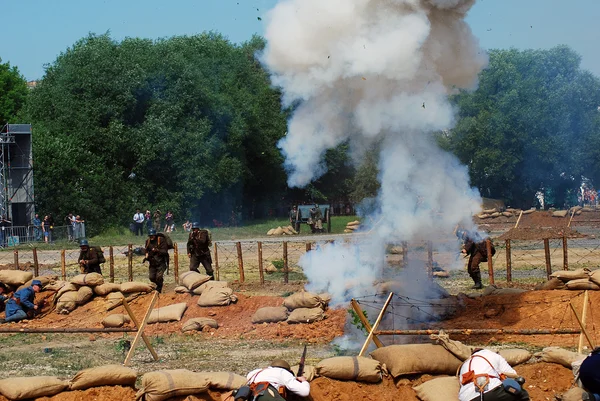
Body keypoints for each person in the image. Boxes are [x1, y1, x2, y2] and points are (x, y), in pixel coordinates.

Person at [458, 348, 529, 401]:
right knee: (521, 393)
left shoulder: (465, 364)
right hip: (492, 392)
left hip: (467, 398)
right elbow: (514, 375)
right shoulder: (493, 355)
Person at [245, 359, 310, 401]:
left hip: (253, 397)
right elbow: (305, 392)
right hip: (267, 396)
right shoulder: (284, 373)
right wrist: (304, 381)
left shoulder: (256, 372)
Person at [144, 228, 169, 293]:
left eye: (152, 236)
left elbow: (165, 251)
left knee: (159, 277)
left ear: (155, 235)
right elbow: (146, 250)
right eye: (150, 236)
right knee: (151, 277)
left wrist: (157, 250)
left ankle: (159, 288)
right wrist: (146, 255)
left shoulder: (161, 240)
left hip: (161, 262)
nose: (151, 237)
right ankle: (159, 285)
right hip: (152, 263)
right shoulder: (148, 241)